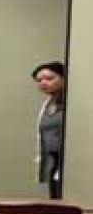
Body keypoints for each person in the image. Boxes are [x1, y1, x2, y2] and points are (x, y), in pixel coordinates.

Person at [33, 60, 66, 199]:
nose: (43, 83)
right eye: (39, 80)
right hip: (52, 163)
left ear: (64, 78)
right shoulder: (47, 105)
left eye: (49, 78)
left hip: (67, 161)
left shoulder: (71, 103)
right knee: (55, 200)